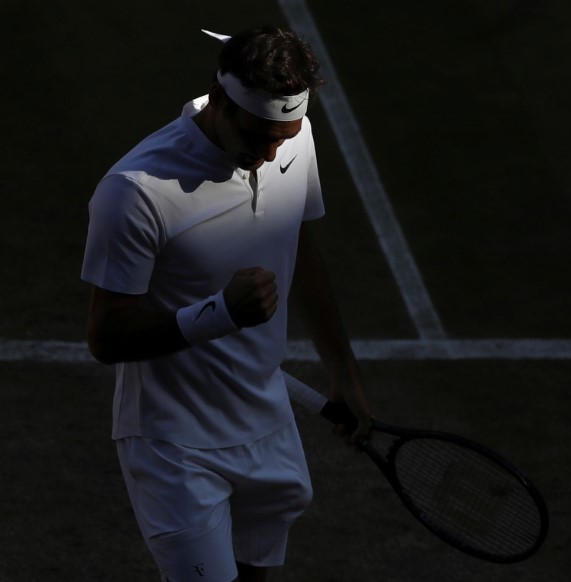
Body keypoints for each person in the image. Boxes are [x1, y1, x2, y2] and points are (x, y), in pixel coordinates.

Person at [81, 25, 372, 582]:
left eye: (283, 136)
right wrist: (220, 313)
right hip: (174, 443)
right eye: (258, 134)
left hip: (266, 423)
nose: (269, 154)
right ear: (218, 101)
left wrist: (344, 372)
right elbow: (106, 336)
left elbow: (299, 246)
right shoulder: (135, 192)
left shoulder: (295, 138)